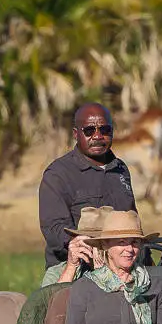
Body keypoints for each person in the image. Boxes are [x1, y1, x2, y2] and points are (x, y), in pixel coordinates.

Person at [38, 103, 139, 271]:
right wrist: (81, 247)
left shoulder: (120, 169)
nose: (98, 136)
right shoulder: (58, 174)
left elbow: (132, 219)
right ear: (76, 134)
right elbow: (53, 228)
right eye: (90, 131)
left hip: (122, 267)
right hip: (75, 268)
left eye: (105, 130)